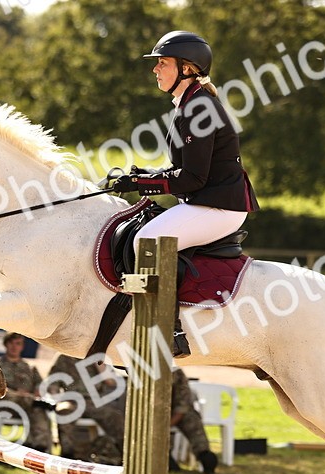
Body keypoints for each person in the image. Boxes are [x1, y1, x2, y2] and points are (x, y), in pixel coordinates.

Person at [111, 31, 261, 355]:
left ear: (187, 68)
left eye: (162, 63)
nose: (155, 70)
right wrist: (141, 176)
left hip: (220, 207)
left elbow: (192, 178)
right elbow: (181, 171)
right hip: (209, 201)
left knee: (146, 241)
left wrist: (140, 186)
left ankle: (169, 331)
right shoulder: (190, 103)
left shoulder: (199, 108)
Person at [48, 354, 126, 464]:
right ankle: (68, 455)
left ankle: (125, 454)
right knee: (63, 411)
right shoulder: (63, 357)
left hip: (93, 402)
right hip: (71, 400)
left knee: (115, 417)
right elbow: (52, 382)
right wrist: (55, 396)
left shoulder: (97, 356)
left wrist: (99, 364)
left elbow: (111, 382)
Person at [0, 332, 52, 452]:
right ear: (5, 345)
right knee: (38, 405)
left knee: (39, 409)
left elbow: (41, 384)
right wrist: (18, 394)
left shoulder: (29, 367)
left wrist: (38, 390)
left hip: (29, 405)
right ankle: (33, 445)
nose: (14, 347)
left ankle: (38, 446)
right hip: (8, 406)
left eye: (18, 344)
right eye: (11, 343)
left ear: (22, 346)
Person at [171, 368, 219, 474]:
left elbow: (182, 407)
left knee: (194, 427)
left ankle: (207, 463)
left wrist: (167, 425)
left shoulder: (176, 373)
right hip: (152, 411)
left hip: (178, 411)